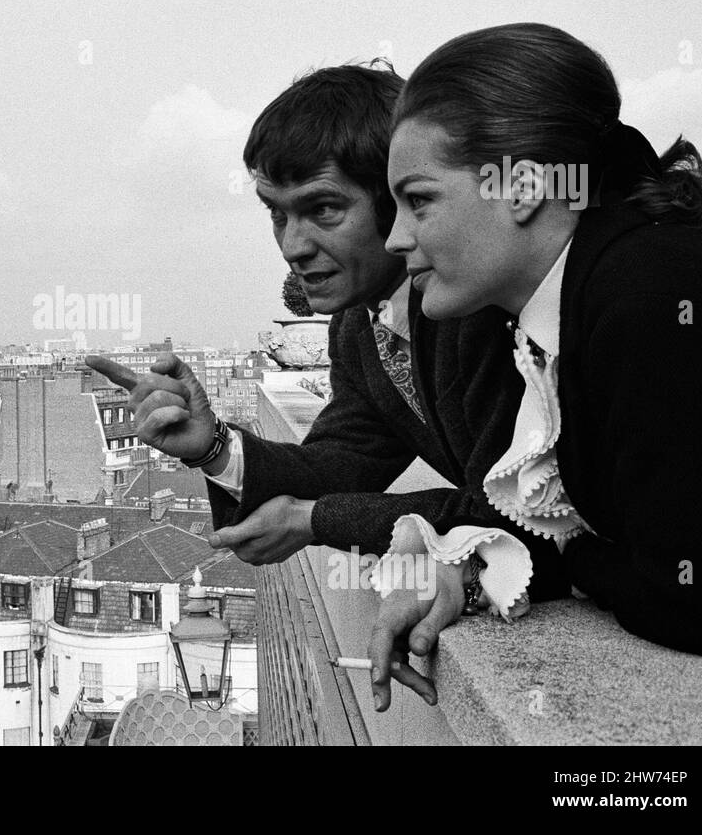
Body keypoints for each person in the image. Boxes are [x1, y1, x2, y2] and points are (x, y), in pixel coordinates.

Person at [87, 63, 569, 705]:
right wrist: (215, 448)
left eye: (323, 209)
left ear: (396, 199)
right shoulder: (358, 325)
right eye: (277, 215)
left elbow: (500, 511)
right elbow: (345, 460)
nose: (292, 245)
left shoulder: (473, 307)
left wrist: (316, 520)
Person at [369, 23, 702, 689]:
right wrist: (464, 574)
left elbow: (699, 597)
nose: (396, 237)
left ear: (525, 186)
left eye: (419, 199)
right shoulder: (600, 289)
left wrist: (585, 557)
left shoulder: (645, 299)